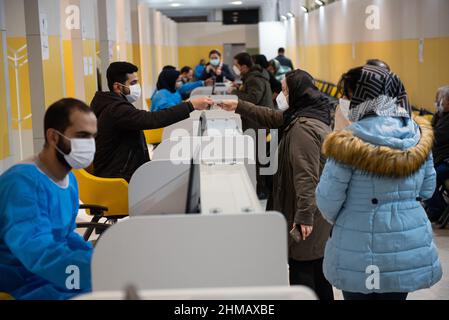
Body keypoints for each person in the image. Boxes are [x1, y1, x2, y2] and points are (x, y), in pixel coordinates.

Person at [316, 65, 442, 300]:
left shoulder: (348, 142)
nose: (343, 100)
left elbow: (327, 200)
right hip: (404, 245)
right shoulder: (418, 136)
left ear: (364, 96)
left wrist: (352, 214)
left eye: (348, 94)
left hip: (358, 246)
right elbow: (428, 189)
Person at [219, 70, 335, 300]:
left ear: (297, 93)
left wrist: (303, 216)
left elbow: (306, 177)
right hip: (313, 211)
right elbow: (272, 117)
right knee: (317, 270)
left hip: (304, 212)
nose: (280, 95)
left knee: (304, 273)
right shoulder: (307, 114)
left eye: (284, 90)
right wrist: (238, 105)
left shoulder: (302, 129)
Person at [0, 98, 97, 300]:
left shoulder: (69, 179)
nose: (90, 144)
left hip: (50, 272)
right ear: (53, 136)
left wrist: (95, 256)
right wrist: (91, 270)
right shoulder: (22, 183)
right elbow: (36, 250)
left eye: (92, 137)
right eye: (82, 136)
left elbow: (66, 235)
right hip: (20, 280)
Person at [91, 61, 213, 182]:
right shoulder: (116, 110)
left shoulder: (114, 104)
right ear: (118, 87)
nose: (137, 86)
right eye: (133, 83)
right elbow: (152, 119)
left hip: (122, 170)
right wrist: (191, 106)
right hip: (118, 177)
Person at [424, 86, 449, 222]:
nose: (439, 103)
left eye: (441, 100)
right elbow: (430, 130)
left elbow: (436, 136)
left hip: (446, 160)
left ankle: (438, 210)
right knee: (425, 173)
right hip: (440, 158)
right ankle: (437, 208)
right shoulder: (442, 115)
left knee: (429, 177)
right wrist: (437, 113)